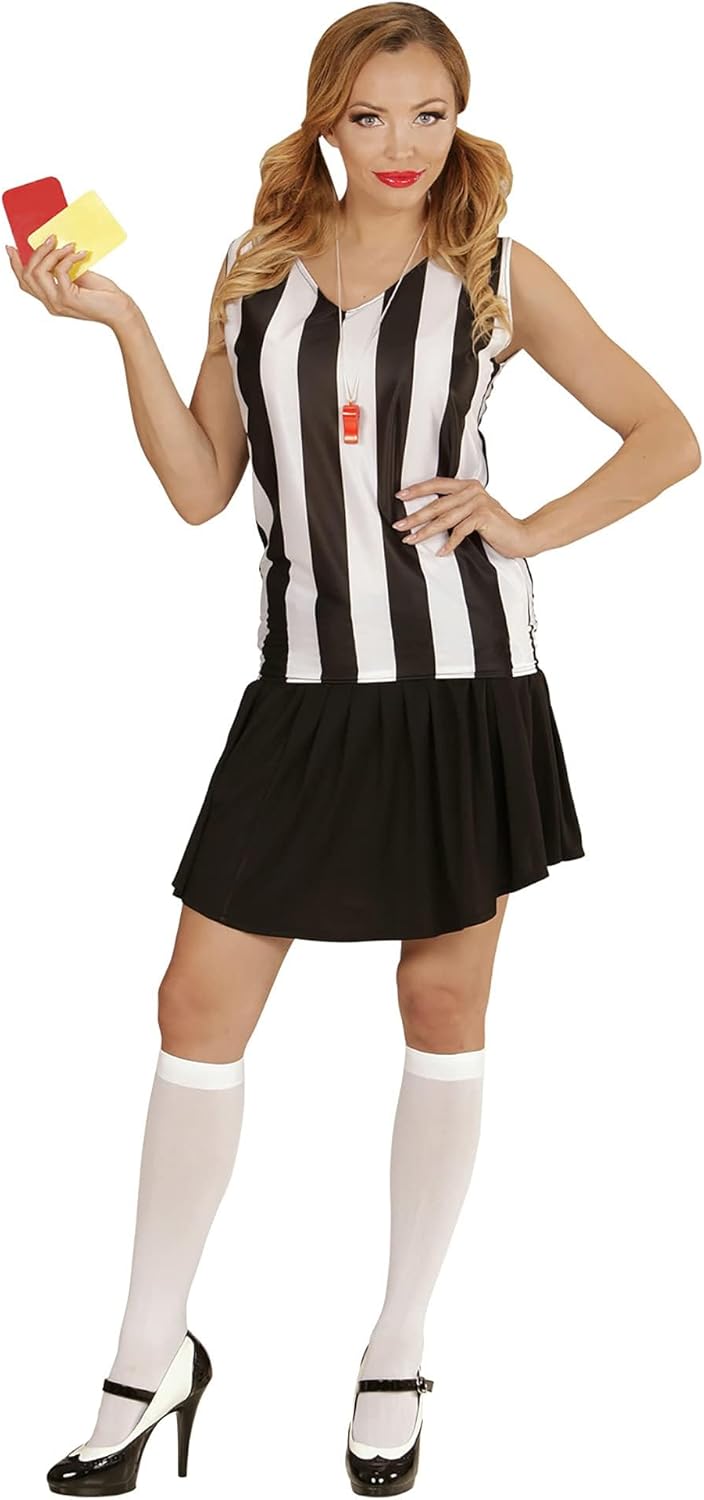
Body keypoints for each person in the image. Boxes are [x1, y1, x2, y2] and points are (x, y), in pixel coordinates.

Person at [7, 5, 699, 1497]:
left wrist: (525, 525)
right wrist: (119, 323)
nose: (402, 144)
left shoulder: (495, 269)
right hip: (305, 692)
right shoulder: (252, 270)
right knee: (196, 1003)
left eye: (430, 113)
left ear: (461, 117)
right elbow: (202, 488)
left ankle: (398, 1347)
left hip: (463, 686)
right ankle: (147, 1355)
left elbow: (666, 435)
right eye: (372, 114)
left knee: (441, 1005)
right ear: (326, 116)